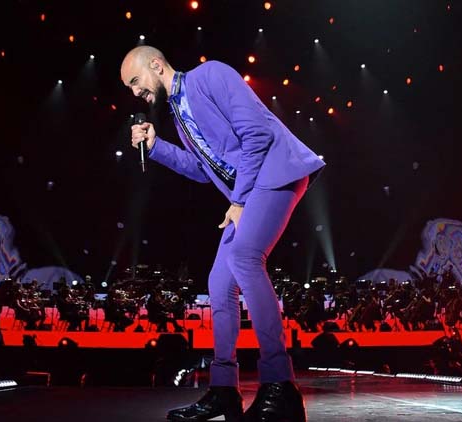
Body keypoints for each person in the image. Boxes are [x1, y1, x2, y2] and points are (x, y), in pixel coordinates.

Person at [121, 45, 325, 422]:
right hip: (251, 187)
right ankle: (224, 391)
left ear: (156, 64)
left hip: (275, 171)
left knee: (245, 258)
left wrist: (240, 199)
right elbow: (202, 171)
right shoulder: (178, 116)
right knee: (219, 282)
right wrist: (156, 146)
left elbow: (257, 135)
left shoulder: (210, 75)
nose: (135, 92)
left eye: (135, 81)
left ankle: (281, 386)